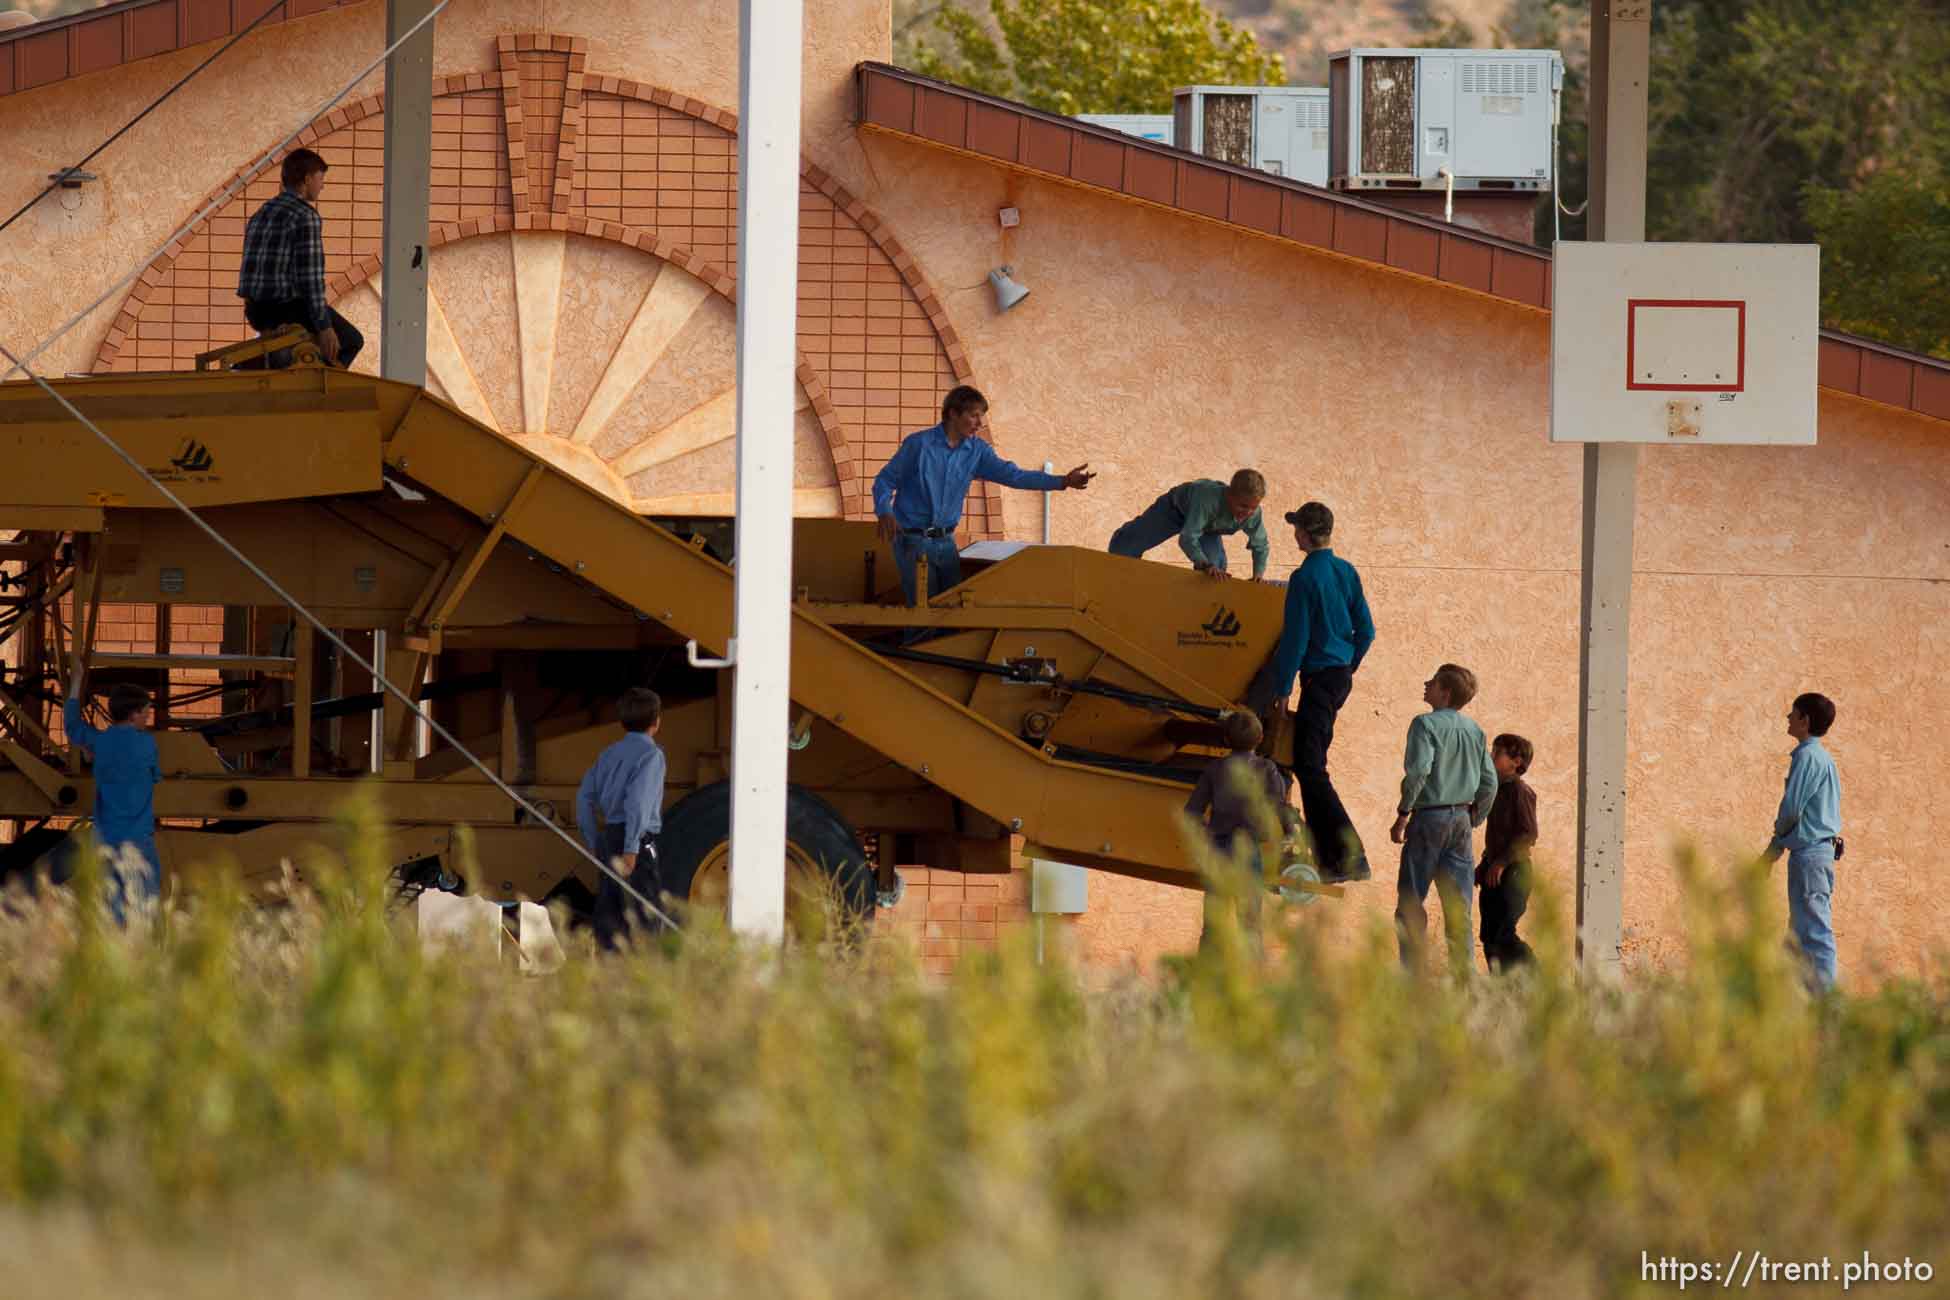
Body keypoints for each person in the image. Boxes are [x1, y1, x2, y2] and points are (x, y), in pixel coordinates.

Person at [1245, 501, 1375, 883]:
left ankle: (1347, 857)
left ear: (1303, 532)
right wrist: (1347, 666)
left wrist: (1283, 687)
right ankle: (1330, 855)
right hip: (1338, 678)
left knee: (1311, 767)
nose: (1295, 534)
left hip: (1318, 678)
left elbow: (1296, 638)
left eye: (1296, 528)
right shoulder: (1346, 571)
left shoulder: (1304, 578)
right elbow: (1365, 631)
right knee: (1309, 763)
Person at [873, 386, 1094, 606]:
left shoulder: (978, 451)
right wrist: (885, 511)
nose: (979, 424)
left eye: (982, 416)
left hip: (946, 542)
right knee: (923, 616)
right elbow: (884, 480)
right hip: (913, 541)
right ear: (953, 414)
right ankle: (913, 641)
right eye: (974, 415)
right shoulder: (918, 445)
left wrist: (1062, 481)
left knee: (951, 611)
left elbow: (1013, 475)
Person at [1390, 664, 1498, 972]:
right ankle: (1466, 980)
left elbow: (1419, 772)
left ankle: (1414, 978)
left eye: (1433, 682)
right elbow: (1489, 783)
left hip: (1428, 817)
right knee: (1459, 907)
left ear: (1445, 692)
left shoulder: (1424, 725)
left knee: (1411, 902)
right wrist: (1474, 818)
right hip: (1461, 819)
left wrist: (1402, 814)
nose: (1426, 685)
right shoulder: (1475, 730)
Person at [236, 147, 364, 369]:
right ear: (307, 179)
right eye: (320, 179)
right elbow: (310, 281)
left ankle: (277, 363)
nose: (322, 185)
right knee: (351, 341)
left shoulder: (261, 213)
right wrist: (324, 328)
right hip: (287, 309)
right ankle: (317, 392)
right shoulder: (305, 216)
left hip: (256, 310)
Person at [1185, 710, 1298, 951]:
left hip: (1219, 851)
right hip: (1251, 852)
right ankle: (1252, 980)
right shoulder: (1267, 769)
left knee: (1213, 924)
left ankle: (1203, 980)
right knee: (1250, 924)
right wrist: (1291, 834)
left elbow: (1192, 812)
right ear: (1260, 739)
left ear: (1226, 740)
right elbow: (1280, 806)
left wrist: (1205, 837)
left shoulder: (1214, 770)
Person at [575, 687, 669, 949]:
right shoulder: (652, 756)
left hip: (608, 837)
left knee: (609, 911)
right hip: (635, 841)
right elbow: (638, 803)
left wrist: (593, 840)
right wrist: (632, 847)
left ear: (622, 722)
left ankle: (608, 973)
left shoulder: (608, 755)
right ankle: (642, 977)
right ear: (656, 721)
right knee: (645, 913)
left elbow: (584, 798)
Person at [62, 678, 162, 916]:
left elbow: (72, 726)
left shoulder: (101, 742)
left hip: (105, 837)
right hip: (138, 838)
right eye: (146, 712)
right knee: (144, 908)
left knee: (109, 908)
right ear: (133, 715)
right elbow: (154, 776)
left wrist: (75, 682)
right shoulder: (147, 744)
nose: (148, 718)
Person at [1763, 692, 1842, 992]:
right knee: (1797, 935)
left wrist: (1774, 846)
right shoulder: (1822, 758)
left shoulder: (1808, 756)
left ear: (1804, 720)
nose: (1788, 718)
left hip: (1809, 855)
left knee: (1814, 934)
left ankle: (1828, 1010)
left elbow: (1792, 808)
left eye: (1792, 713)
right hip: (1815, 854)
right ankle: (1791, 1004)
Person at [1108, 469, 1272, 580]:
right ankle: (1118, 555)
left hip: (1208, 527)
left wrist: (1258, 574)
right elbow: (1187, 538)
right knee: (1126, 547)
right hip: (1174, 510)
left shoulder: (1253, 513)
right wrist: (1204, 563)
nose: (1247, 512)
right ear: (1229, 494)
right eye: (1243, 506)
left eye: (1253, 507)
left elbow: (1261, 545)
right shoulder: (1207, 500)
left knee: (1216, 571)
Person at [1476, 733, 1538, 971]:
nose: (1491, 757)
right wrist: (1485, 865)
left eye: (1497, 753)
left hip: (1514, 873)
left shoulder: (1519, 792)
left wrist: (1501, 863)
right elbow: (1497, 837)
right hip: (1495, 872)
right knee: (1489, 936)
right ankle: (1500, 989)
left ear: (1516, 762)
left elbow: (1527, 834)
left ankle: (1538, 977)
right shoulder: (1496, 791)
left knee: (1503, 934)